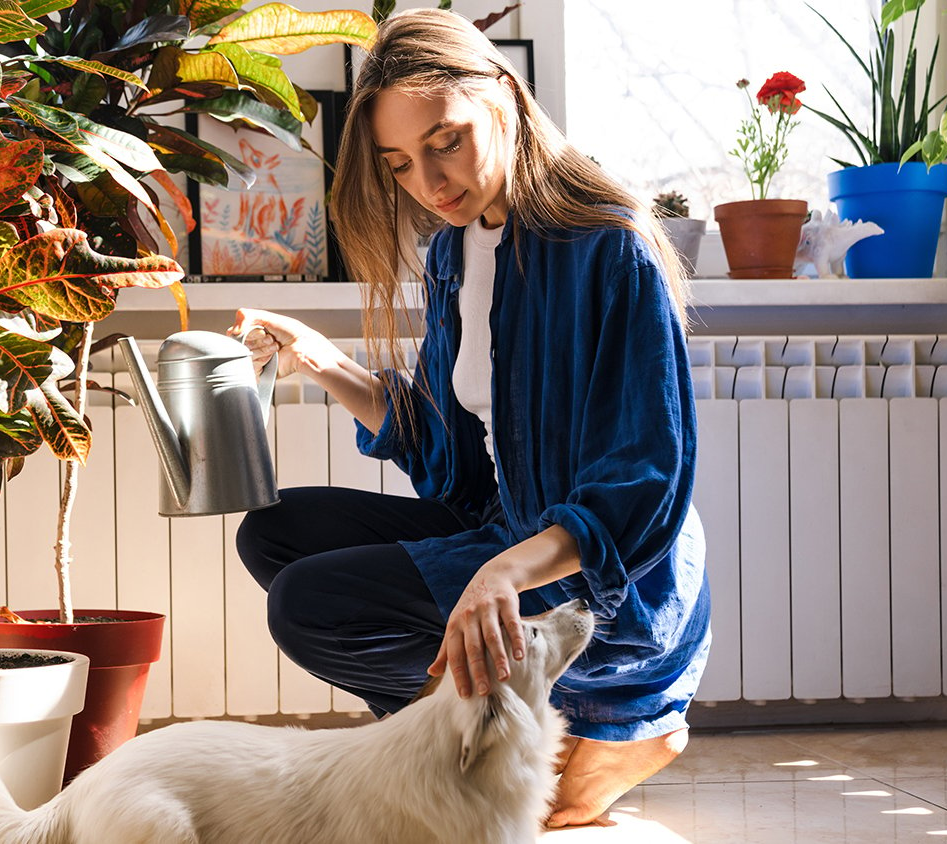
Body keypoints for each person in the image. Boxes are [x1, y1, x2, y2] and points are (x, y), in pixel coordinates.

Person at [229, 8, 708, 828]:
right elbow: (453, 459)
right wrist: (323, 360)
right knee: (273, 534)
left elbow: (645, 482)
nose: (430, 181)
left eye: (445, 140)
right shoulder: (458, 249)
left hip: (609, 586)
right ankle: (492, 748)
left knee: (310, 605)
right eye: (401, 164)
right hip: (505, 530)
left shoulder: (608, 244)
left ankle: (583, 733)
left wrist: (505, 572)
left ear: (503, 96)